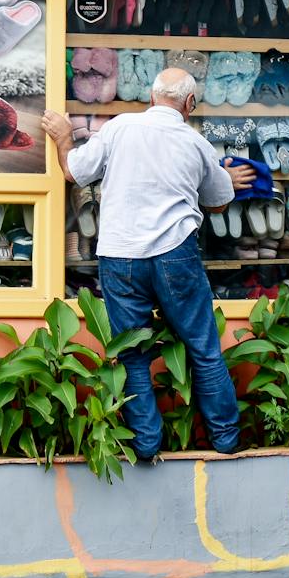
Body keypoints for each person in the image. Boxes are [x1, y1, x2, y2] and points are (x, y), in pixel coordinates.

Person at [40, 67, 253, 459]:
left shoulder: (120, 128)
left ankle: (146, 445)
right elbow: (219, 201)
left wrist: (64, 136)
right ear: (190, 104)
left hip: (120, 256)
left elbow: (73, 171)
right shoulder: (196, 143)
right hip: (176, 253)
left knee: (132, 355)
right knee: (203, 350)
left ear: (152, 98)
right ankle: (225, 442)